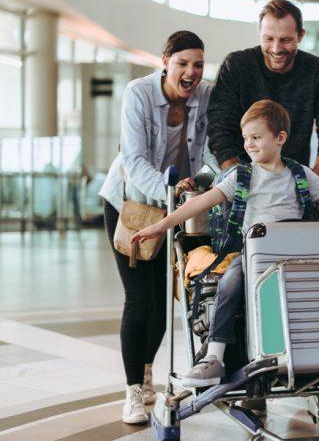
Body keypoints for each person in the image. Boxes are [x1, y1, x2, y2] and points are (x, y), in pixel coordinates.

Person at [132, 100, 319, 389]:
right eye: (246, 138)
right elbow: (200, 202)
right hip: (256, 254)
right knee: (230, 282)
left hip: (297, 252)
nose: (249, 144)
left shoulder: (299, 174)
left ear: (280, 138)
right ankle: (214, 356)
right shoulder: (241, 177)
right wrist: (160, 225)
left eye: (256, 137)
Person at [99, 31, 219, 424]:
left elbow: (208, 150)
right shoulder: (139, 93)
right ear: (165, 60)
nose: (191, 72)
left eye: (198, 64)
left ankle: (148, 371)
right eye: (183, 63)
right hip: (129, 205)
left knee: (162, 306)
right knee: (138, 299)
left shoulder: (206, 95)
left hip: (171, 209)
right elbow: (133, 160)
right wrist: (170, 188)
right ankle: (134, 390)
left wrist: (207, 183)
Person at [207, 0, 319, 179]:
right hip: (239, 182)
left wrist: (312, 180)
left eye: (285, 40)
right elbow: (220, 129)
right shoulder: (236, 65)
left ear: (301, 35)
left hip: (294, 184)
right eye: (269, 39)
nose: (276, 48)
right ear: (260, 33)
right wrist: (240, 179)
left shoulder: (317, 70)